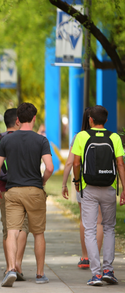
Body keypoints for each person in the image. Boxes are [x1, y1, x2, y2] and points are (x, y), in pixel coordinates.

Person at [0, 103, 54, 287]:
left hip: (13, 191)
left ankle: (11, 268)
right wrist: (42, 181)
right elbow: (50, 167)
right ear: (34, 119)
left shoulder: (6, 140)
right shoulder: (41, 140)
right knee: (38, 233)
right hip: (35, 190)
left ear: (17, 120)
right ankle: (40, 274)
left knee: (12, 231)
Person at [72, 105, 125, 286]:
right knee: (109, 227)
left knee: (90, 230)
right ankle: (108, 270)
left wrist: (77, 181)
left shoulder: (82, 136)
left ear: (90, 120)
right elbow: (120, 164)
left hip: (89, 188)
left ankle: (96, 274)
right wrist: (124, 188)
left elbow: (76, 163)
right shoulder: (114, 137)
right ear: (107, 120)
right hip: (109, 188)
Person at [0, 108, 29, 281]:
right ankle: (18, 264)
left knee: (8, 229)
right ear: (18, 121)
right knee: (23, 227)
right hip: (25, 187)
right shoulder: (27, 139)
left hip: (5, 189)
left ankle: (9, 266)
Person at [61, 107, 103, 269]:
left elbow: (71, 162)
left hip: (84, 184)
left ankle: (85, 257)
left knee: (85, 220)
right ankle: (96, 258)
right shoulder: (109, 136)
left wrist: (65, 183)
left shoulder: (79, 137)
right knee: (99, 221)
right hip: (105, 182)